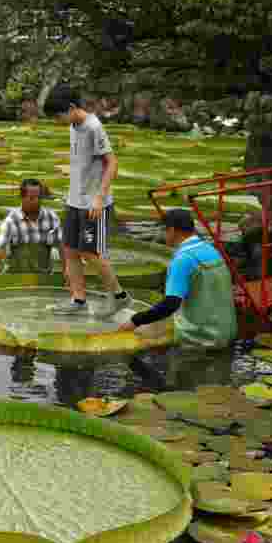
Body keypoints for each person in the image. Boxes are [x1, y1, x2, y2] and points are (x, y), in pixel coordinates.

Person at [44, 85, 130, 316]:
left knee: (91, 253)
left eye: (58, 116)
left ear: (72, 108)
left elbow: (112, 163)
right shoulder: (74, 126)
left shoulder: (93, 126)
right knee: (70, 249)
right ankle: (78, 300)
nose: (57, 121)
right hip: (74, 201)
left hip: (94, 203)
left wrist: (99, 198)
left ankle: (120, 296)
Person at [119, 209, 238, 349]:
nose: (163, 235)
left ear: (173, 230)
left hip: (201, 339)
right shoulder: (211, 249)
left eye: (164, 230)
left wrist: (135, 320)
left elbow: (170, 304)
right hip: (228, 332)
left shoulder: (183, 259)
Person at [0, 178, 63, 288]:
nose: (36, 201)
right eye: (31, 198)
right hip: (16, 279)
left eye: (38, 198)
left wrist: (67, 270)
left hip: (44, 278)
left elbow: (63, 247)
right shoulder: (12, 220)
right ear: (22, 197)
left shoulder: (51, 217)